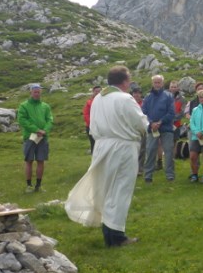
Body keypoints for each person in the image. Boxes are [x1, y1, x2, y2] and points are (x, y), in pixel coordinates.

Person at [65, 65, 148, 247]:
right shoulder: (125, 99)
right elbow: (141, 123)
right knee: (120, 190)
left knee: (107, 188)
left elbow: (92, 125)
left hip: (102, 146)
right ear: (125, 81)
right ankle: (117, 236)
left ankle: (108, 232)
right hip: (122, 147)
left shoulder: (98, 100)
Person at [17, 83, 54, 193]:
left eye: (38, 92)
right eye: (35, 92)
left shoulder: (45, 106)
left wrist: (44, 131)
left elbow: (49, 120)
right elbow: (22, 120)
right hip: (30, 137)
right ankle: (29, 185)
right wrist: (36, 130)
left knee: (40, 160)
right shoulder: (24, 106)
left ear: (41, 92)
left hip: (42, 137)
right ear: (31, 92)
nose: (37, 94)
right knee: (29, 161)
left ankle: (38, 185)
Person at [141, 74, 175, 183]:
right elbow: (143, 113)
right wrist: (151, 124)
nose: (157, 84)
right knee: (150, 151)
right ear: (152, 83)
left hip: (166, 128)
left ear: (162, 83)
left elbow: (171, 112)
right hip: (152, 129)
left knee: (168, 151)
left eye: (159, 82)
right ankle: (148, 175)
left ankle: (170, 175)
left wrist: (160, 122)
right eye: (155, 82)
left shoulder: (169, 96)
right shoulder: (147, 97)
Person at [83, 85, 101, 153]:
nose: (98, 93)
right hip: (91, 126)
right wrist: (92, 123)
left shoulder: (104, 101)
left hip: (102, 126)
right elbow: (86, 114)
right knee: (93, 143)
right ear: (93, 92)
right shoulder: (89, 102)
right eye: (96, 91)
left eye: (99, 91)